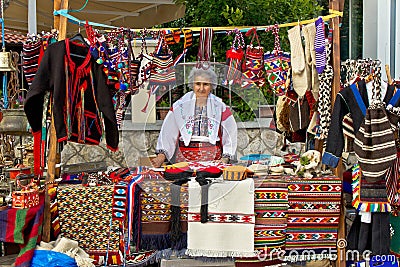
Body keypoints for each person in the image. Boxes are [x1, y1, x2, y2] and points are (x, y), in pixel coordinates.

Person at [151, 66, 237, 167]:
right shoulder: (180, 106)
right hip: (183, 162)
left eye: (205, 84)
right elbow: (168, 133)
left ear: (212, 85)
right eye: (198, 84)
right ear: (192, 84)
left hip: (213, 162)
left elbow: (230, 132)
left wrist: (225, 158)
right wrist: (161, 157)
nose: (201, 88)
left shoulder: (220, 106)